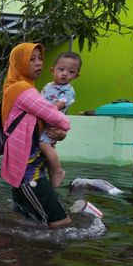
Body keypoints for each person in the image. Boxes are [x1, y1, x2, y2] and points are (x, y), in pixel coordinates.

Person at [0, 43, 71, 229]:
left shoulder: (18, 86)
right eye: (31, 60)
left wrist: (58, 134)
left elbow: (38, 122)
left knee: (27, 223)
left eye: (40, 58)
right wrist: (64, 127)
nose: (38, 63)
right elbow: (55, 116)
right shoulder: (23, 89)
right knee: (60, 222)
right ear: (19, 63)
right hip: (29, 171)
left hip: (27, 165)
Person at [39, 52, 82, 187]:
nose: (65, 74)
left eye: (71, 72)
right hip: (44, 121)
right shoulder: (48, 86)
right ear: (53, 70)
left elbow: (60, 104)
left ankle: (58, 170)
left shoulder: (68, 90)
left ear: (76, 76)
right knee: (48, 148)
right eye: (61, 70)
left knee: (44, 144)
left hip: (53, 123)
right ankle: (53, 181)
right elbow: (40, 99)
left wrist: (44, 110)